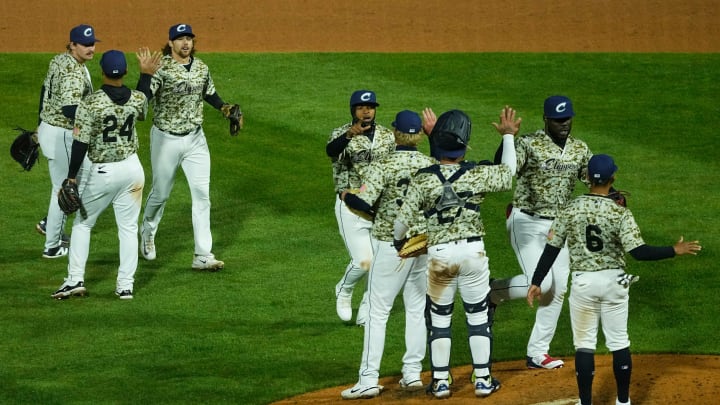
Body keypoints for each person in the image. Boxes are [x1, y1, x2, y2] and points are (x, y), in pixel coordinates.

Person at [527, 154, 701, 405]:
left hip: (583, 284)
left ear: (586, 178)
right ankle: (622, 401)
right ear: (613, 178)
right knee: (619, 342)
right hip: (614, 283)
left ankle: (585, 402)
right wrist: (674, 250)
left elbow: (552, 248)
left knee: (584, 344)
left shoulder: (570, 208)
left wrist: (536, 280)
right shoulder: (619, 212)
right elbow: (639, 253)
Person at [393, 107, 520, 399]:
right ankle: (483, 380)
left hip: (440, 256)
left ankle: (440, 383)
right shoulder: (476, 174)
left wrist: (398, 241)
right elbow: (509, 172)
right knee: (477, 316)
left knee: (440, 319)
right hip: (473, 253)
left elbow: (402, 221)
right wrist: (509, 136)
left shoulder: (423, 178)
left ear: (437, 144)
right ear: (464, 146)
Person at [490, 95, 593, 370]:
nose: (564, 124)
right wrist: (508, 138)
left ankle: (537, 352)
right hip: (526, 221)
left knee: (558, 289)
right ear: (546, 120)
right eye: (558, 120)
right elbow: (504, 166)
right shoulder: (529, 143)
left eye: (567, 118)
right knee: (542, 283)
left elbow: (593, 177)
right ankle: (492, 292)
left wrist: (612, 193)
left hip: (559, 227)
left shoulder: (579, 149)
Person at [339, 110, 434, 399]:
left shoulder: (383, 164)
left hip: (392, 245)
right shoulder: (430, 165)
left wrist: (346, 196)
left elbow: (363, 200)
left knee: (378, 312)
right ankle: (412, 374)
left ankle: (368, 378)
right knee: (417, 308)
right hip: (422, 242)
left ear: (395, 133)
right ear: (418, 135)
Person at [135, 23, 243, 271]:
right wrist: (145, 75)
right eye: (180, 39)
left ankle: (203, 255)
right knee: (160, 193)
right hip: (166, 139)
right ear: (170, 42)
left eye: (189, 39)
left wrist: (224, 108)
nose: (185, 43)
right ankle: (148, 232)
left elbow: (209, 93)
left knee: (202, 195)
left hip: (196, 139)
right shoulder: (160, 67)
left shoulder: (202, 67)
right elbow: (142, 103)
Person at [51, 50, 153, 300]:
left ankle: (74, 280)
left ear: (102, 72)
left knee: (83, 224)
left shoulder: (90, 103)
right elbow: (142, 100)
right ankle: (125, 286)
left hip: (103, 173)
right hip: (133, 171)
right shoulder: (137, 99)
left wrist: (71, 177)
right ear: (125, 72)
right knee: (128, 228)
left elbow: (80, 143)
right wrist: (146, 75)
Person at [325, 90, 396, 325]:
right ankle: (343, 290)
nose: (366, 111)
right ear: (353, 110)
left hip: (380, 208)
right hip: (351, 208)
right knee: (364, 261)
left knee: (380, 264)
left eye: (371, 107)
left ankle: (367, 307)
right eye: (361, 107)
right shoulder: (341, 133)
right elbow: (331, 152)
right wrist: (349, 135)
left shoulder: (387, 136)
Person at [36, 24, 98, 258]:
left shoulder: (60, 60)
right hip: (62, 133)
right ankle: (52, 245)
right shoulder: (73, 72)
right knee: (64, 188)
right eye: (85, 44)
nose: (90, 48)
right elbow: (70, 108)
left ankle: (51, 224)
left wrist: (38, 124)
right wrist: (94, 123)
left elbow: (45, 91)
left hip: (49, 128)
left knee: (79, 181)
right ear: (72, 45)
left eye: (92, 44)